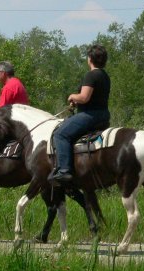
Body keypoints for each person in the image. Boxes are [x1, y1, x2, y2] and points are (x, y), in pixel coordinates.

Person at [49, 44, 110, 183]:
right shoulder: (105, 76)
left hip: (90, 116)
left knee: (60, 134)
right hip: (103, 114)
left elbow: (84, 97)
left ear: (90, 59)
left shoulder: (91, 75)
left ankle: (64, 170)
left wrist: (72, 96)